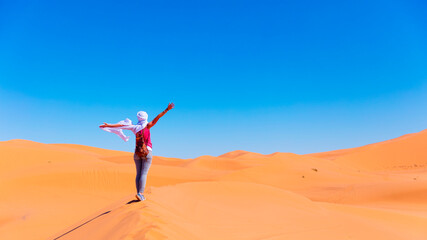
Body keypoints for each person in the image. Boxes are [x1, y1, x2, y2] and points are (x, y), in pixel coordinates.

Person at [100, 103, 175, 201]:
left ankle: (138, 193)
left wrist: (109, 125)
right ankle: (140, 193)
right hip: (147, 152)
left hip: (137, 153)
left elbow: (122, 125)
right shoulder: (148, 125)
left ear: (138, 118)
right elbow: (158, 117)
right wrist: (167, 109)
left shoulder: (134, 127)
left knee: (138, 174)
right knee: (144, 174)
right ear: (146, 117)